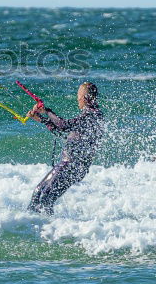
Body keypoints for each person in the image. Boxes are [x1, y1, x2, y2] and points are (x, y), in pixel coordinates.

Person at [26, 82, 104, 215]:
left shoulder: (92, 115)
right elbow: (62, 131)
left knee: (46, 198)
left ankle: (49, 228)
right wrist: (41, 119)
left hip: (72, 166)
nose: (77, 99)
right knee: (39, 192)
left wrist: (47, 111)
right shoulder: (89, 114)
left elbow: (63, 125)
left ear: (84, 98)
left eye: (78, 96)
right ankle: (30, 223)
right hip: (68, 165)